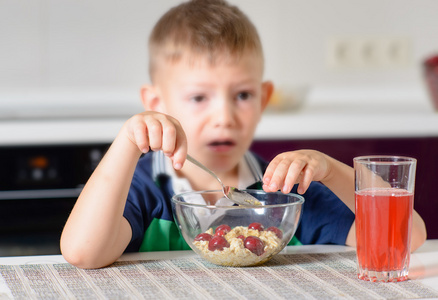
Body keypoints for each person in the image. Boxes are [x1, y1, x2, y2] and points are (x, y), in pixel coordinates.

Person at [60, 0, 427, 269]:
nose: (225, 116)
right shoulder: (143, 187)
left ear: (264, 97)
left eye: (243, 95)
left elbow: (403, 239)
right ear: (157, 102)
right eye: (199, 97)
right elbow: (82, 253)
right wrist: (128, 143)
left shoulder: (284, 195)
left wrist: (330, 169)